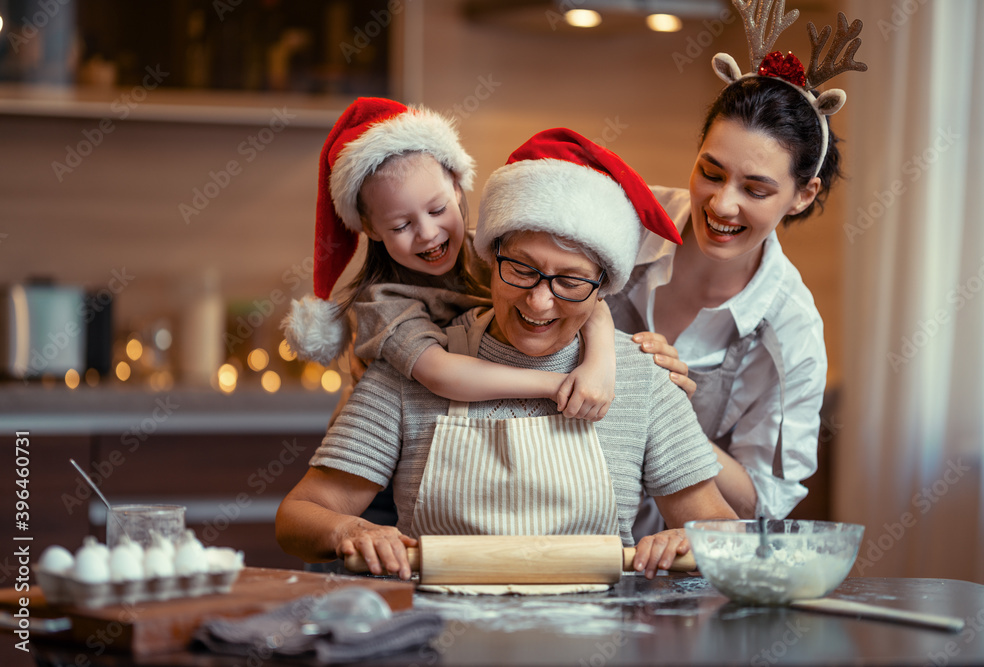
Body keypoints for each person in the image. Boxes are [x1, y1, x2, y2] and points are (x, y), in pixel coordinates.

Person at [276, 128, 738, 580]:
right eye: (521, 269)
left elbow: (724, 529)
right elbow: (298, 518)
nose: (539, 302)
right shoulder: (407, 368)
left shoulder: (638, 378)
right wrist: (349, 530)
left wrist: (689, 540)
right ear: (489, 258)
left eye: (571, 281)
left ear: (603, 288)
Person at [610, 8, 866, 528]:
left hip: (677, 561)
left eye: (755, 189)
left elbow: (758, 503)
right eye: (710, 172)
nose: (722, 205)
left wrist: (669, 408)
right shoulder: (623, 224)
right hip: (558, 529)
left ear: (802, 195)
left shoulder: (788, 330)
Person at [282, 97, 615, 421]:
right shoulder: (383, 303)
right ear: (371, 228)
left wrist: (599, 367)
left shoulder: (495, 253)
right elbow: (441, 374)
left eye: (437, 209)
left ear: (457, 187)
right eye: (401, 225)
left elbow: (584, 296)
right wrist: (560, 385)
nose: (427, 233)